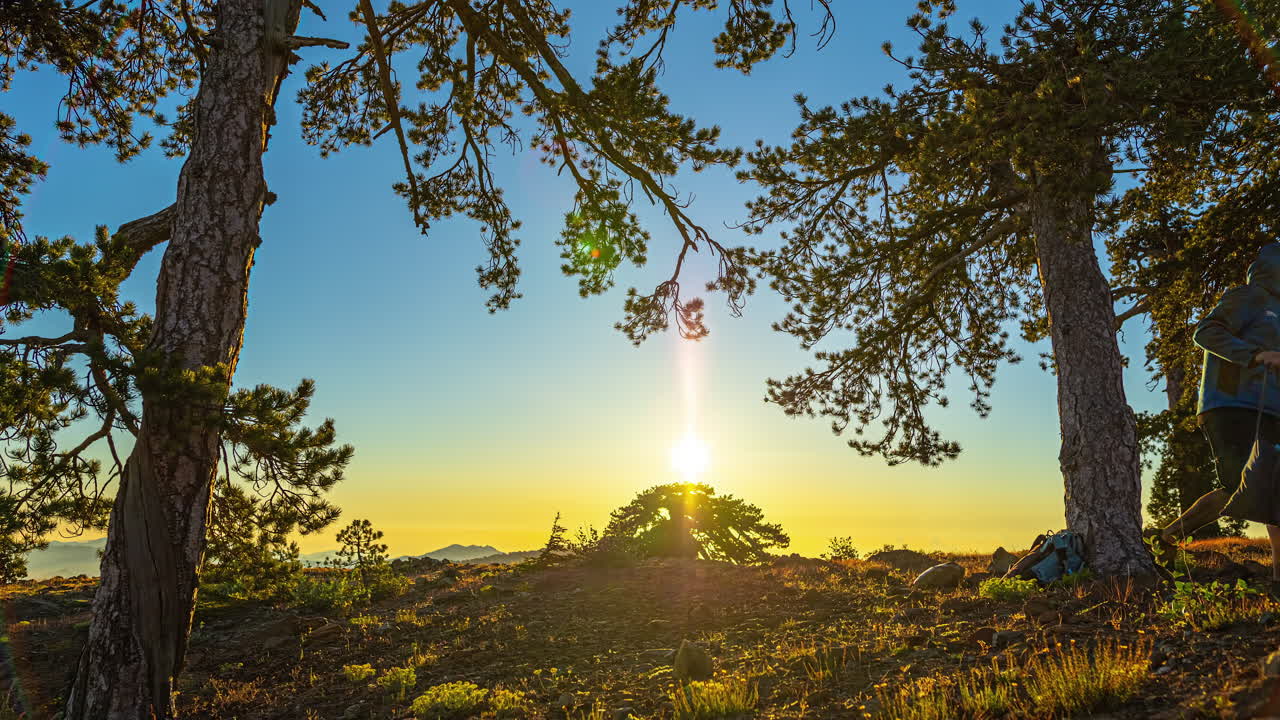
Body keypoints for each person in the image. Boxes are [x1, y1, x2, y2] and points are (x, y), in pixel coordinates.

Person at [1148, 242, 1280, 581]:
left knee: (1273, 490)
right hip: (1229, 403)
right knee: (1240, 484)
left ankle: (1279, 578)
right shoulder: (1248, 297)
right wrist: (1254, 355)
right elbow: (1205, 332)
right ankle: (1167, 536)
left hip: (1271, 409)